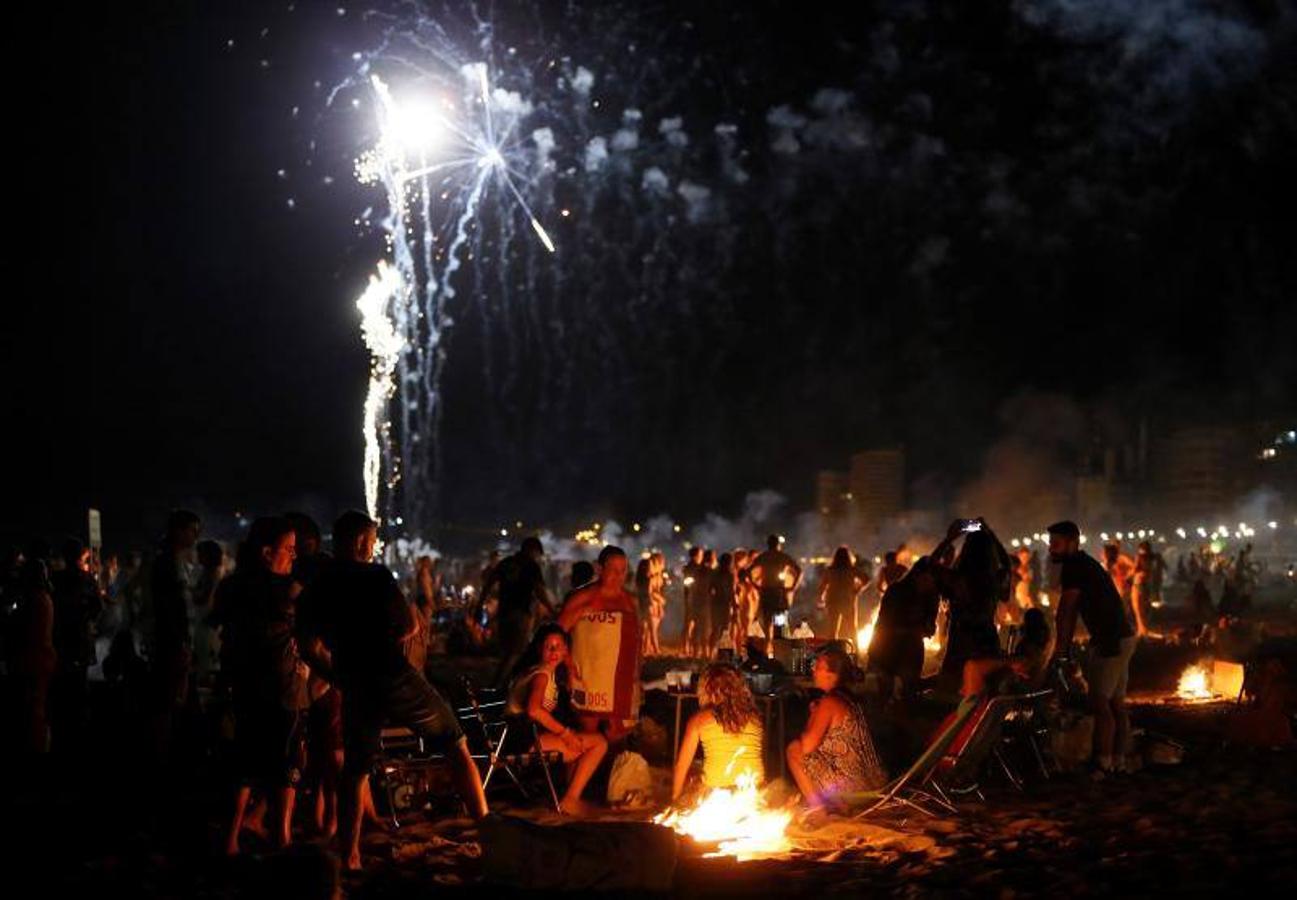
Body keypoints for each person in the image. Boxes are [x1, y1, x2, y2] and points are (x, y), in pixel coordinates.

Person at [296, 511, 487, 871]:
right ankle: (488, 828)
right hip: (394, 674)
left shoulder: (317, 587)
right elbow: (411, 624)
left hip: (355, 682)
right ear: (361, 542)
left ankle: (350, 855)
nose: (372, 547)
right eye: (371, 540)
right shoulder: (376, 576)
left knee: (356, 770)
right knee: (455, 742)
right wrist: (383, 645)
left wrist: (337, 674)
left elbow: (308, 647)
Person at [211, 517, 309, 856]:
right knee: (286, 767)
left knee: (243, 764)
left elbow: (218, 628)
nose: (294, 557)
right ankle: (281, 840)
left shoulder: (231, 587)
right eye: (289, 550)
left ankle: (231, 840)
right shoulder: (289, 593)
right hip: (282, 690)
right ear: (268, 553)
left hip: (242, 689)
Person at [1047, 521, 1137, 778]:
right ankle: (1118, 759)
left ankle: (1102, 762)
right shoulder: (1083, 563)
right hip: (1122, 637)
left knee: (1100, 703)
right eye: (1050, 543)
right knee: (1116, 703)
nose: (1051, 548)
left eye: (1056, 543)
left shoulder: (1074, 566)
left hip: (1111, 640)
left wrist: (1061, 651)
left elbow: (1067, 611)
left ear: (1072, 542)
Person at [506, 624, 608, 815]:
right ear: (540, 649)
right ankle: (570, 799)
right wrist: (565, 733)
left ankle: (569, 795)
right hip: (525, 741)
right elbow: (533, 710)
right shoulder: (541, 676)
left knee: (582, 738)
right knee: (598, 743)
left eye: (558, 646)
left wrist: (569, 669)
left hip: (513, 737)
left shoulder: (536, 671)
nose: (553, 651)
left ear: (565, 650)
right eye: (548, 647)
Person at [786, 647, 886, 809]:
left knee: (793, 750)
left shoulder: (829, 703)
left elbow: (806, 746)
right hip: (877, 780)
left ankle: (818, 810)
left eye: (818, 667)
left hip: (856, 786)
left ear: (832, 675)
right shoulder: (852, 698)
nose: (814, 671)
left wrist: (813, 716)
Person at [558, 545, 642, 741]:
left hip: (620, 679)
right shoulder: (583, 598)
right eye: (613, 570)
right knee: (588, 735)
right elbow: (556, 634)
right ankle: (581, 770)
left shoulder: (629, 601)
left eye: (623, 571)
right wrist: (568, 665)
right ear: (599, 569)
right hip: (588, 677)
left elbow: (637, 638)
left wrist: (638, 672)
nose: (619, 576)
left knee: (618, 734)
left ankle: (609, 771)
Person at [150, 509, 201, 761]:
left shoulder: (174, 561)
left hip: (176, 643)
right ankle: (164, 756)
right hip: (171, 644)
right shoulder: (167, 563)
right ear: (178, 531)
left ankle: (171, 752)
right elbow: (170, 608)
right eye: (193, 529)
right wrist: (180, 642)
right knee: (167, 702)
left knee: (174, 701)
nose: (196, 535)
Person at [671, 664, 765, 801]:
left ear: (706, 689)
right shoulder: (755, 718)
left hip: (717, 794)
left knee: (695, 777)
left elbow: (681, 765)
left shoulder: (699, 720)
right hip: (755, 790)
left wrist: (675, 799)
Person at [933, 519, 1012, 681]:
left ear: (966, 551)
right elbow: (1007, 565)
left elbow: (930, 565)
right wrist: (991, 535)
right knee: (986, 690)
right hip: (987, 640)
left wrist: (950, 538)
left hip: (960, 642)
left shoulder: (956, 580)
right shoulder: (996, 579)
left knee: (954, 688)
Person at [49, 538, 102, 753]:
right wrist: (87, 619)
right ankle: (79, 725)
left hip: (60, 636)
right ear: (80, 556)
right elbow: (97, 606)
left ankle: (62, 724)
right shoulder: (86, 578)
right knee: (79, 681)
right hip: (78, 636)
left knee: (61, 679)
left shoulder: (55, 578)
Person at [484, 537, 556, 687]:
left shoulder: (506, 563)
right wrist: (552, 609)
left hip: (504, 612)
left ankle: (501, 684)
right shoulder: (531, 566)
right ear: (532, 550)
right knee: (517, 651)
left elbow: (489, 583)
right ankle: (496, 686)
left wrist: (479, 604)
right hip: (521, 612)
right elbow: (540, 591)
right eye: (537, 553)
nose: (537, 557)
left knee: (507, 651)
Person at [865, 559, 942, 699]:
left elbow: (929, 625)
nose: (930, 584)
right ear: (917, 575)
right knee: (879, 688)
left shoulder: (931, 596)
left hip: (910, 648)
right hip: (885, 646)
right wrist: (910, 629)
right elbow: (886, 622)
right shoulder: (896, 591)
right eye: (927, 579)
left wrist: (927, 628)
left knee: (908, 687)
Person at [748, 535, 802, 650]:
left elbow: (749, 571)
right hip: (778, 595)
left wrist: (756, 586)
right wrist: (793, 587)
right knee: (779, 625)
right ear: (778, 544)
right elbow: (798, 570)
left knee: (768, 626)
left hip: (767, 593)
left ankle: (769, 651)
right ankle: (778, 652)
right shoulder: (782, 557)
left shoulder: (764, 557)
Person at [818, 547, 865, 641]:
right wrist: (857, 590)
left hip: (832, 600)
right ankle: (856, 652)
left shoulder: (830, 570)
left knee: (833, 629)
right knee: (852, 629)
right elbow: (866, 578)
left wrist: (821, 598)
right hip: (848, 600)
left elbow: (822, 586)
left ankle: (833, 651)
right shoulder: (852, 570)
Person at [705, 552, 737, 659]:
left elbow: (709, 589)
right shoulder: (727, 575)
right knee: (721, 630)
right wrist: (734, 605)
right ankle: (716, 652)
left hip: (719, 603)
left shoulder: (719, 574)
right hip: (722, 604)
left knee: (718, 629)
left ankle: (715, 653)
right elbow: (731, 592)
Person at [1130, 541, 1163, 638]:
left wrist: (1128, 575)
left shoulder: (1140, 557)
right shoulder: (1153, 558)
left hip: (1138, 584)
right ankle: (1142, 629)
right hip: (1147, 585)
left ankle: (1143, 630)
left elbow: (1135, 569)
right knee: (1143, 609)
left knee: (1138, 609)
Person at [680, 546, 706, 657]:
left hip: (695, 599)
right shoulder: (691, 567)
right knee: (689, 624)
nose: (702, 557)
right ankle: (685, 647)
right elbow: (688, 583)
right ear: (695, 556)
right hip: (692, 599)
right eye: (700, 555)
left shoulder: (698, 567)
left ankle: (689, 647)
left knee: (692, 624)